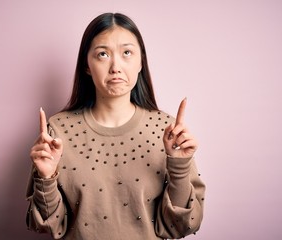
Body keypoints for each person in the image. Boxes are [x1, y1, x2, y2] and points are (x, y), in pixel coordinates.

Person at [26, 12, 205, 239]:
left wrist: (179, 165)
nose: (115, 67)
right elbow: (49, 225)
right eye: (102, 54)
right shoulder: (58, 130)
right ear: (87, 65)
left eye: (127, 53)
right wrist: (46, 179)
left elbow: (181, 226)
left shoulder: (167, 130)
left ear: (141, 62)